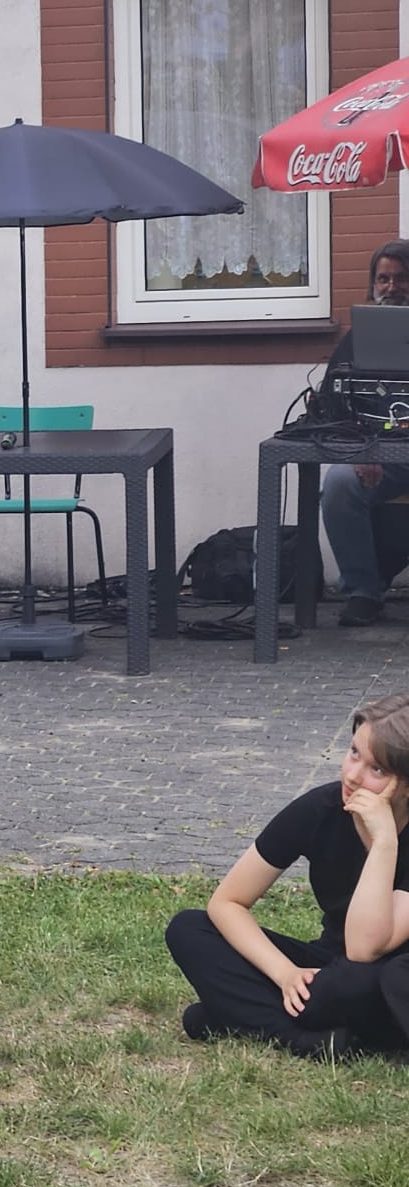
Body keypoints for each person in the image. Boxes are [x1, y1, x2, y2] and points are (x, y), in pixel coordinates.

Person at [166, 692, 409, 1059]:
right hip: (329, 963)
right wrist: (285, 973)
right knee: (189, 928)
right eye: (353, 753)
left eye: (377, 770)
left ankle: (236, 1016)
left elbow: (364, 949)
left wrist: (384, 842)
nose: (352, 775)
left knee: (350, 983)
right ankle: (300, 1038)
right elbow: (228, 902)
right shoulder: (321, 808)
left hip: (388, 975)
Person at [320, 240, 409, 627]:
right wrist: (362, 450)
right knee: (339, 483)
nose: (392, 287)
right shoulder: (357, 340)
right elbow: (333, 407)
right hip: (379, 458)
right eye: (383, 279)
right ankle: (363, 592)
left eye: (402, 279)